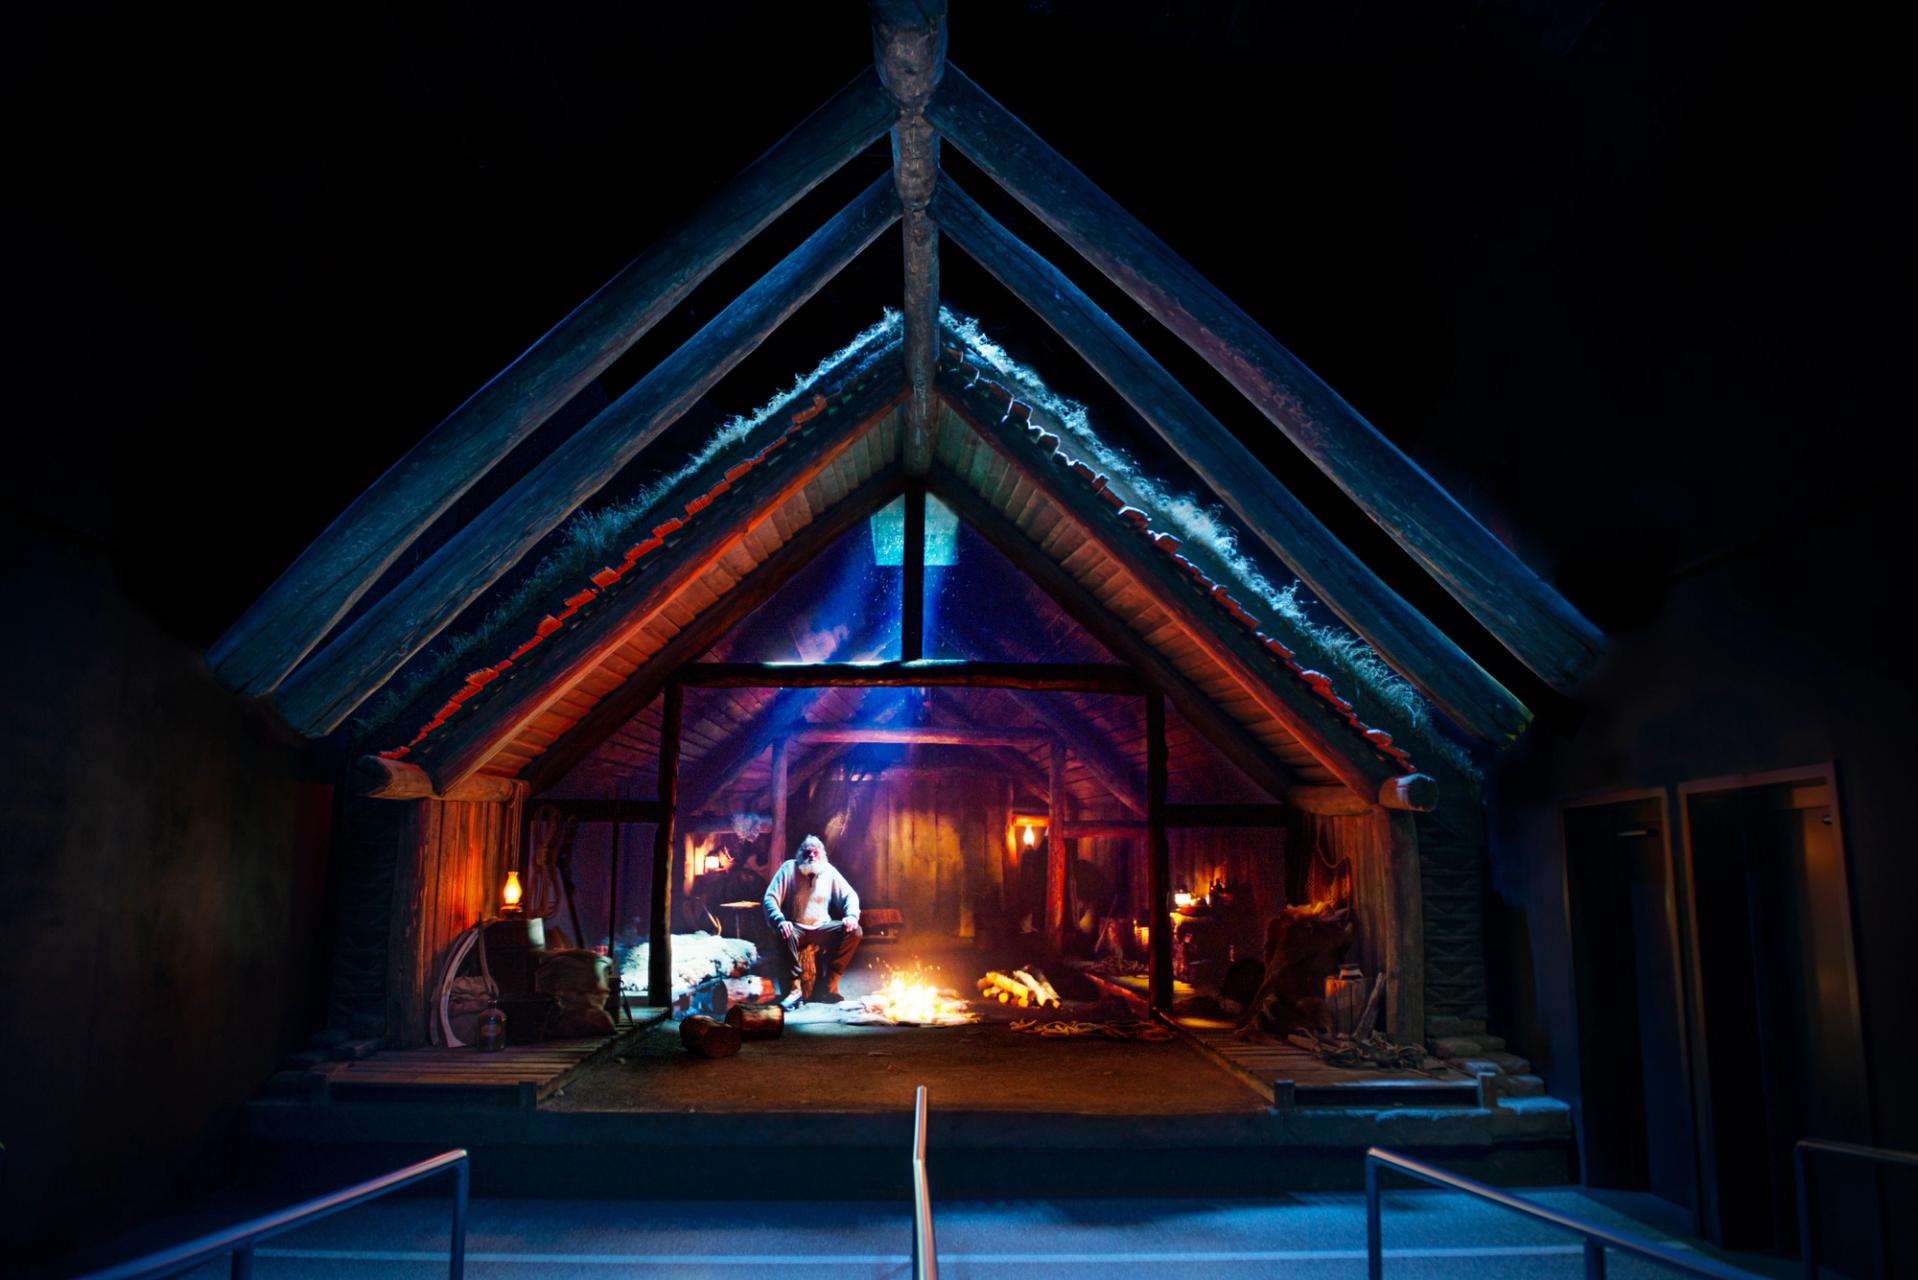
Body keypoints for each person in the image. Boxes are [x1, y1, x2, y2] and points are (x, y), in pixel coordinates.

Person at [761, 834, 861, 1006]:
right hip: (797, 927)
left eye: (815, 853)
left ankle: (830, 984)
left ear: (821, 854)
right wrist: (780, 920)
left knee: (855, 931)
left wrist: (851, 915)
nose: (811, 856)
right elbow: (770, 898)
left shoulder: (828, 871)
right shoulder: (789, 868)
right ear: (801, 854)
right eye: (807, 852)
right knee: (784, 933)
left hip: (822, 927)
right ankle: (795, 988)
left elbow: (849, 895)